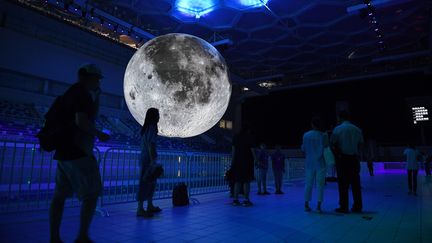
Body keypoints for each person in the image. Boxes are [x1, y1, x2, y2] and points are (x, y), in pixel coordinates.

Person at [49, 64, 110, 243]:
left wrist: (97, 97)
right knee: (92, 195)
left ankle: (54, 238)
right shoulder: (82, 95)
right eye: (96, 78)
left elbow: (90, 116)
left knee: (59, 197)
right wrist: (100, 134)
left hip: (63, 153)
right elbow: (82, 122)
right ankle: (82, 236)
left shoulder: (70, 94)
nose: (98, 82)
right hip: (79, 152)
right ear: (86, 77)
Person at [330, 111, 364, 214]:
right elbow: (361, 144)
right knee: (355, 184)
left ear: (340, 117)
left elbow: (332, 143)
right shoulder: (357, 129)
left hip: (342, 159)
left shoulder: (338, 129)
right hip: (354, 159)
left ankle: (344, 206)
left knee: (343, 184)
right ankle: (357, 206)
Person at [136, 108, 162, 217]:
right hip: (148, 159)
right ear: (154, 116)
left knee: (150, 182)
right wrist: (153, 161)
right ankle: (140, 208)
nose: (159, 117)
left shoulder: (146, 128)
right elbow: (151, 146)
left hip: (145, 158)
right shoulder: (151, 128)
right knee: (146, 182)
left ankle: (149, 205)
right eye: (157, 115)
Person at [302, 116, 328, 213]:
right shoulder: (323, 135)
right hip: (320, 163)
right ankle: (318, 206)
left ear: (312, 124)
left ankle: (306, 205)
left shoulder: (306, 135)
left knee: (308, 184)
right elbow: (326, 147)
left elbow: (304, 149)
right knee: (320, 185)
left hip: (309, 163)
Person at [230, 123, 256, 206]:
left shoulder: (235, 137)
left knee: (237, 182)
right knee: (246, 181)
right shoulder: (249, 137)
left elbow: (233, 151)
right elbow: (252, 151)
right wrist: (256, 160)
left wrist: (232, 162)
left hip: (237, 162)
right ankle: (246, 200)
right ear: (248, 130)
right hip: (247, 162)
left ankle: (235, 200)